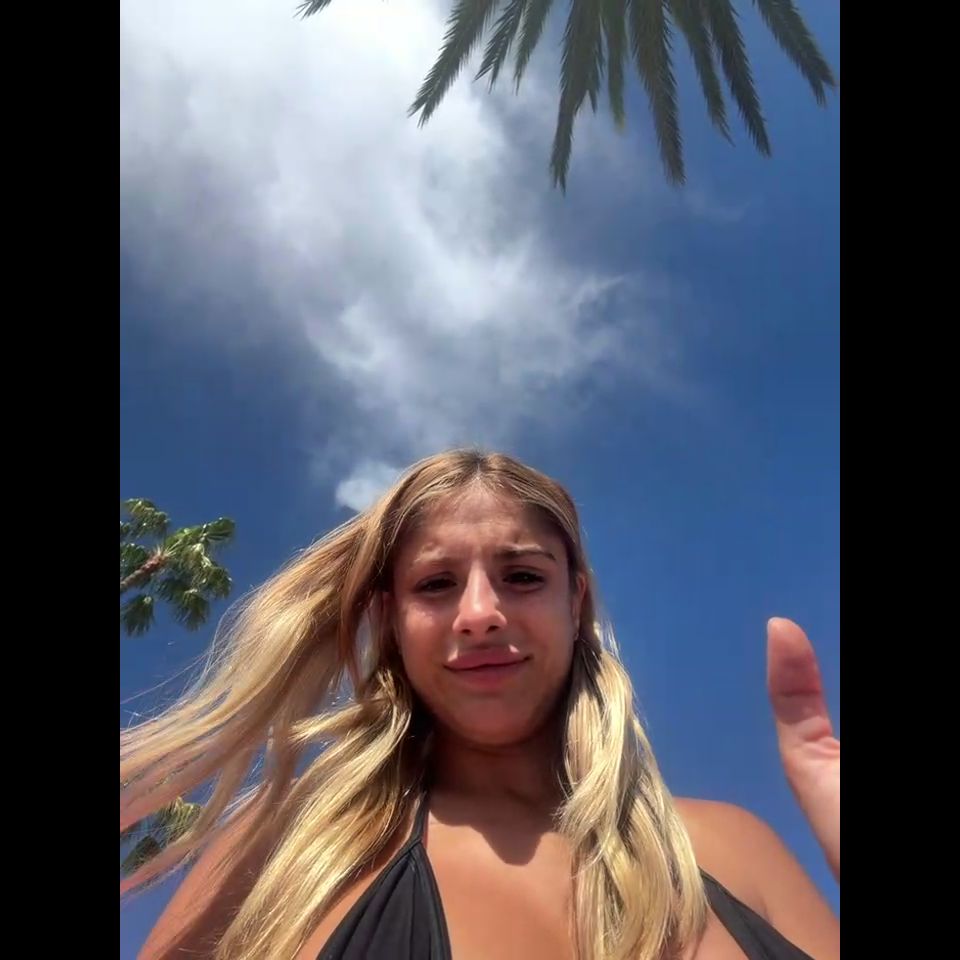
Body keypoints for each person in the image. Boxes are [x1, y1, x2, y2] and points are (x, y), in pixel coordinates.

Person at [121, 449, 839, 960]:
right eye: (435, 584)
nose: (480, 614)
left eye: (522, 576)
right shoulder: (290, 842)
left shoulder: (735, 849)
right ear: (392, 620)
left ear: (576, 601)